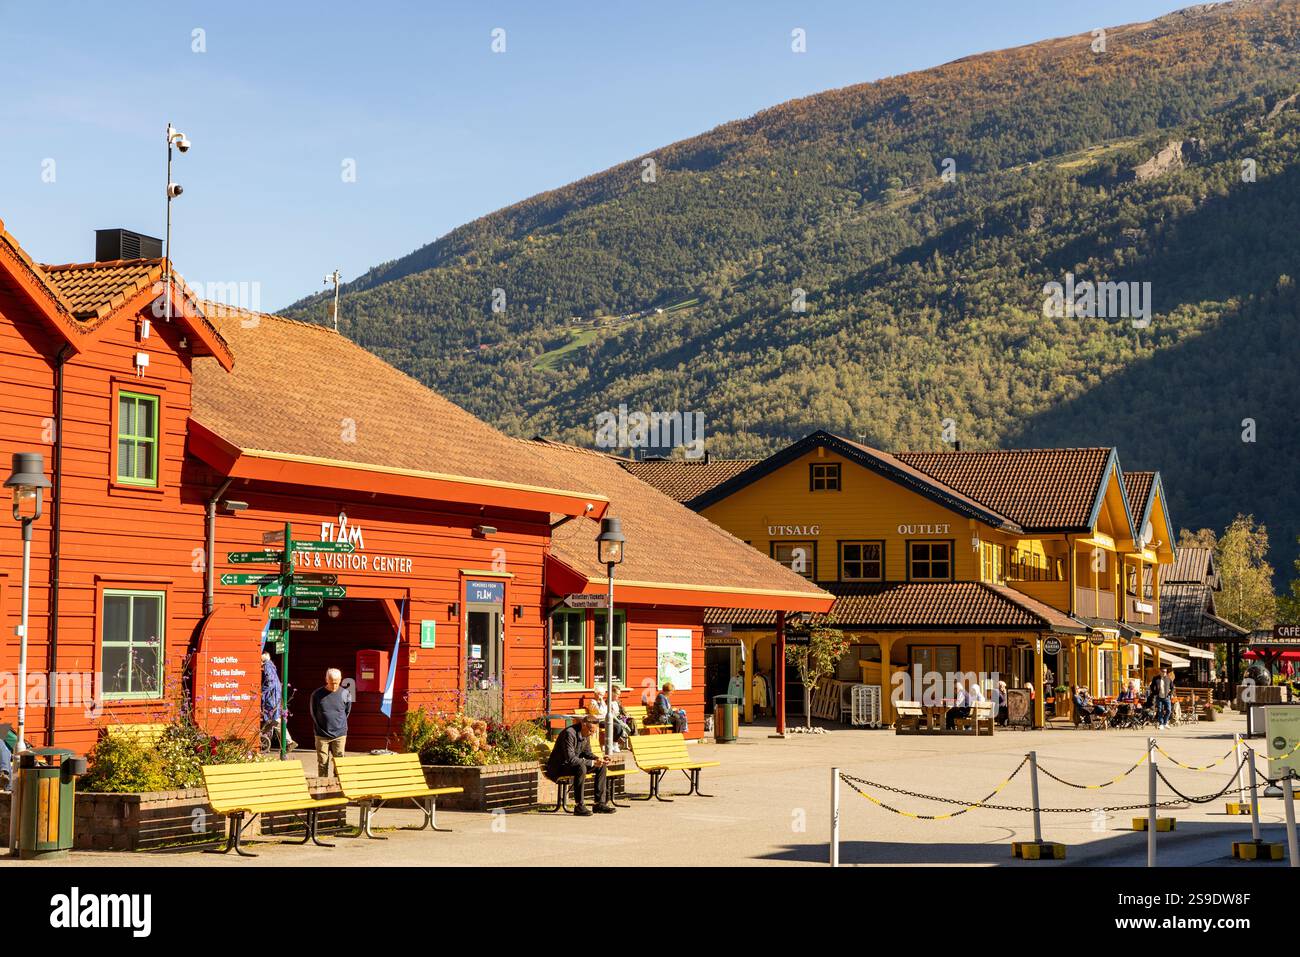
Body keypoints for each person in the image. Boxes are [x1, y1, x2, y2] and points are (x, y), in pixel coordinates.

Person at [544, 715, 615, 815]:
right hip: (559, 768)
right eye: (590, 730)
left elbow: (587, 753)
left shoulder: (585, 734)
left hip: (572, 765)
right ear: (583, 725)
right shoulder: (569, 734)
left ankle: (599, 804)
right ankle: (579, 806)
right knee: (581, 767)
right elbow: (570, 758)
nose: (591, 734)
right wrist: (592, 762)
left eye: (593, 732)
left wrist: (598, 759)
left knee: (601, 766)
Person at [310, 668, 351, 777]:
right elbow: (313, 713)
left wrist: (338, 724)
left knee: (339, 763)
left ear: (340, 680)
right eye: (331, 683)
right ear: (326, 679)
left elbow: (347, 711)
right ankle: (323, 788)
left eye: (336, 683)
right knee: (322, 762)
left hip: (339, 734)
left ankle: (337, 786)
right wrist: (321, 727)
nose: (334, 686)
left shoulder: (345, 694)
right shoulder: (317, 694)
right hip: (321, 734)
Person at [260, 652, 296, 751]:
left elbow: (270, 682)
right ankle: (264, 742)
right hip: (275, 697)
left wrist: (261, 692)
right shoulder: (271, 666)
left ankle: (288, 742)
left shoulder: (267, 666)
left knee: (274, 720)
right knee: (272, 720)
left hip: (271, 698)